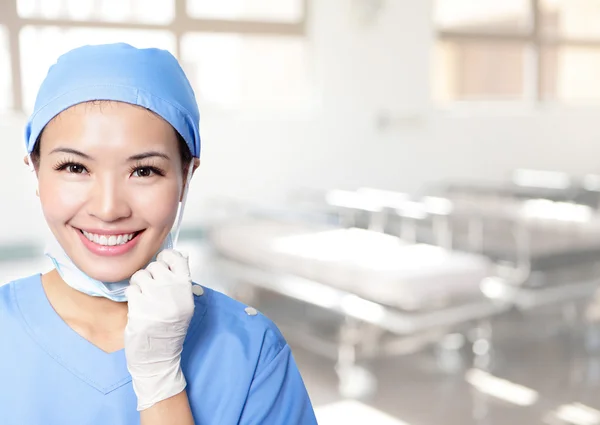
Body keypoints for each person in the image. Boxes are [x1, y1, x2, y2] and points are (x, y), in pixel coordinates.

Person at [0, 43, 318, 425]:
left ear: (186, 177)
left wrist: (161, 384)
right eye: (74, 167)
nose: (108, 208)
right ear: (35, 171)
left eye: (144, 171)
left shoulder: (253, 353)